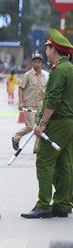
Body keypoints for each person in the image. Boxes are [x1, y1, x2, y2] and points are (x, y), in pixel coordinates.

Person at [21, 30, 73, 219]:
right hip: (69, 122)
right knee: (64, 163)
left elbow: (52, 99)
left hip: (57, 122)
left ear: (54, 49)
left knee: (44, 161)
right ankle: (62, 204)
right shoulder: (70, 68)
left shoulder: (59, 70)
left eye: (48, 47)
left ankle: (43, 204)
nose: (46, 51)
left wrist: (42, 123)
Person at [12, 53, 47, 153]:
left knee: (40, 127)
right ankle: (16, 137)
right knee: (31, 126)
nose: (37, 64)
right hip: (29, 105)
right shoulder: (28, 75)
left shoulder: (44, 76)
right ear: (32, 63)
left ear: (42, 64)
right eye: (35, 62)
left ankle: (36, 148)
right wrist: (21, 102)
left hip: (40, 105)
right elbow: (21, 88)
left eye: (39, 62)